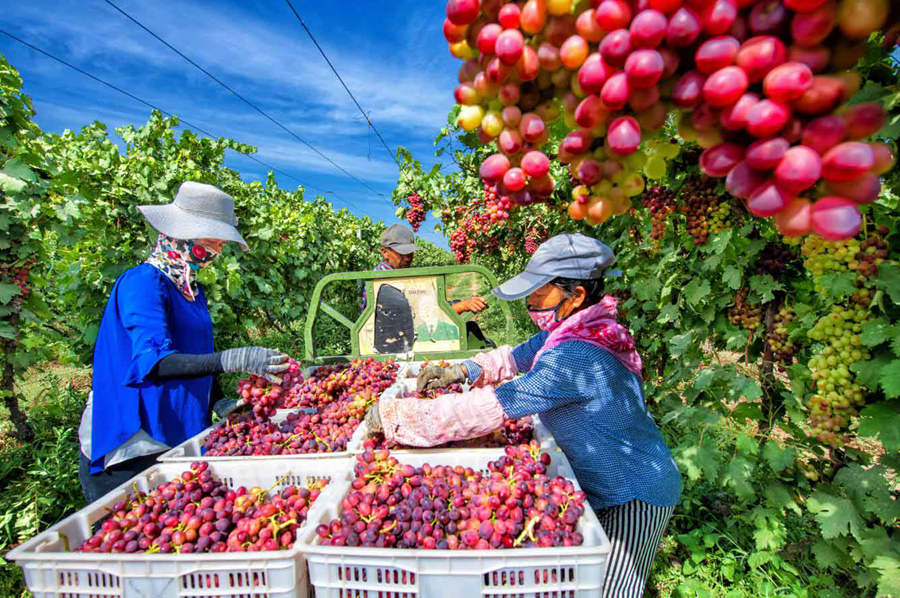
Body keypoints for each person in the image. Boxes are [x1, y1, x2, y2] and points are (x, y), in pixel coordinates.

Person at [365, 233, 681, 598]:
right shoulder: (573, 328)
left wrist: (402, 419)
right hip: (599, 479)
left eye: (539, 292)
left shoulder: (577, 354)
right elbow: (517, 356)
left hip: (632, 491)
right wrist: (463, 371)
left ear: (575, 295)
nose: (531, 302)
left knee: (611, 589)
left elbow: (499, 404)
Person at [78, 182, 290, 502]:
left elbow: (196, 355)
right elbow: (156, 361)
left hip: (176, 435)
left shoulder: (192, 290)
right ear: (182, 235)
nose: (217, 251)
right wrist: (230, 359)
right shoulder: (143, 284)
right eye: (212, 241)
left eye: (221, 243)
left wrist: (217, 401)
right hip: (134, 443)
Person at [361, 223, 493, 347]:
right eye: (402, 253)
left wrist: (460, 303)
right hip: (395, 344)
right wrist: (461, 306)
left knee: (471, 329)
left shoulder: (399, 275)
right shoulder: (381, 283)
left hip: (404, 340)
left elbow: (427, 305)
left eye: (410, 252)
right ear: (385, 252)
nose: (408, 258)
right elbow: (418, 318)